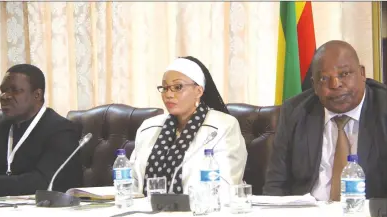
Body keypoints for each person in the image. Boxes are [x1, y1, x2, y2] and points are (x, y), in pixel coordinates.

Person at [263, 40, 387, 200]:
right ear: (314, 85)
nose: (335, 85)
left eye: (344, 74)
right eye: (324, 79)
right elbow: (275, 185)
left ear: (362, 74)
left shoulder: (383, 107)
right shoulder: (295, 111)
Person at [130, 56, 247, 199]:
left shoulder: (223, 126)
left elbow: (226, 185)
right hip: (146, 215)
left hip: (202, 215)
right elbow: (131, 182)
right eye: (165, 88)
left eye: (177, 87)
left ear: (198, 91)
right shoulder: (148, 128)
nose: (169, 94)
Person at [0, 64, 83, 197]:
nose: (5, 96)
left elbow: (42, 182)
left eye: (15, 90)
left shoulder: (61, 130)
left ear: (37, 95)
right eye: (3, 90)